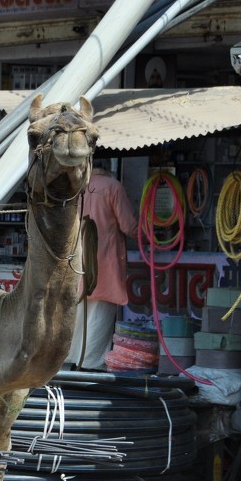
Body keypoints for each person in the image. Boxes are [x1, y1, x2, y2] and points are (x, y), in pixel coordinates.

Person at [65, 158, 138, 371]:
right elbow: (129, 226)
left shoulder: (76, 187)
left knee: (78, 315)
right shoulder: (113, 187)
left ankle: (72, 361)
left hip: (77, 260)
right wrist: (150, 235)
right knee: (101, 315)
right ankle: (91, 365)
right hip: (105, 262)